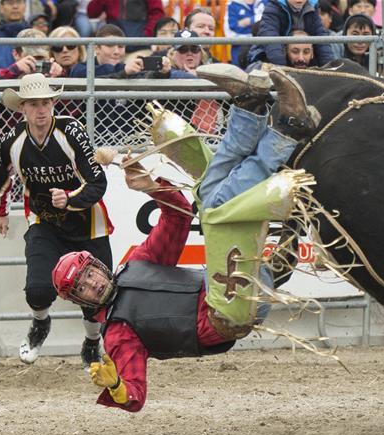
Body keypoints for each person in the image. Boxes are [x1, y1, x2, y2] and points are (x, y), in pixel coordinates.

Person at [52, 65, 319, 412]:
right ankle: (283, 129)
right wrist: (116, 385)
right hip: (226, 313)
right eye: (83, 287)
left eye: (89, 274)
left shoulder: (137, 266)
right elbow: (135, 396)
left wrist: (152, 187)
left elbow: (179, 216)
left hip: (226, 282)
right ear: (80, 300)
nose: (93, 284)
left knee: (208, 190)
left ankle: (251, 109)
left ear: (98, 266)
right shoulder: (117, 333)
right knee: (217, 209)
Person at [0, 73, 113, 366]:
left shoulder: (71, 132)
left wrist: (69, 199)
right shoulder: (12, 141)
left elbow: (97, 182)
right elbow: (0, 176)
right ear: (22, 108)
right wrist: (1, 212)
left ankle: (92, 343)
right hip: (44, 220)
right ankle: (40, 323)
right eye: (33, 104)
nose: (41, 110)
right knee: (38, 289)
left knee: (97, 295)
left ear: (53, 103)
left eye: (46, 102)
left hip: (87, 222)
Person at [248, 0, 335, 67]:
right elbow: (271, 40)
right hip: (270, 56)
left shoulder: (312, 7)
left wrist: (329, 67)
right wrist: (282, 69)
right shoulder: (273, 8)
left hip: (298, 56)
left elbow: (321, 40)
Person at [0, 28, 64, 79]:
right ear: (16, 54)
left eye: (41, 57)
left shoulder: (52, 73)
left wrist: (60, 74)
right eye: (31, 56)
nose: (36, 61)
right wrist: (13, 71)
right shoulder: (11, 73)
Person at [87, 0, 164, 43]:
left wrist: (146, 33)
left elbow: (157, 13)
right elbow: (92, 13)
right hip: (112, 43)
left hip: (138, 44)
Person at [225, 0, 257, 65]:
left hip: (262, 50)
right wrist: (255, 20)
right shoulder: (232, 4)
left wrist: (247, 21)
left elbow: (268, 24)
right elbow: (230, 33)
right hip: (239, 51)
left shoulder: (267, 2)